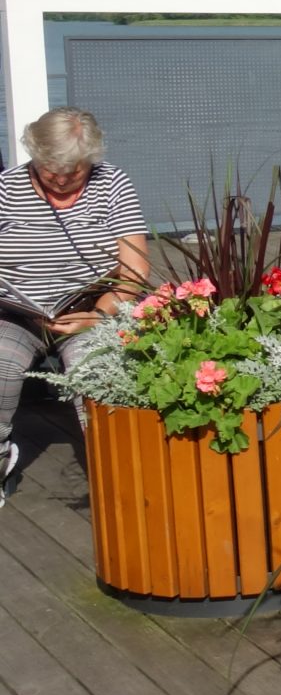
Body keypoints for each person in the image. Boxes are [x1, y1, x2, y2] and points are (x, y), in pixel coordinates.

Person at [0, 108, 148, 496]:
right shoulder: (6, 188)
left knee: (94, 371)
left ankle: (114, 471)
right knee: (0, 367)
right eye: (51, 171)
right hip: (18, 312)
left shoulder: (112, 183)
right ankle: (2, 458)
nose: (63, 180)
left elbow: (134, 268)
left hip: (91, 307)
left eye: (75, 171)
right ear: (34, 156)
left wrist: (97, 315)